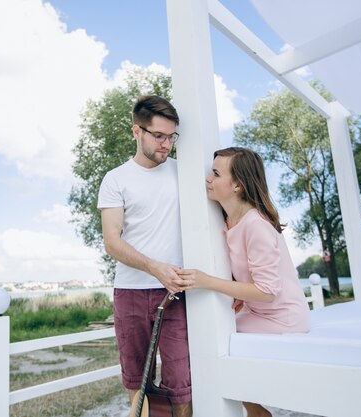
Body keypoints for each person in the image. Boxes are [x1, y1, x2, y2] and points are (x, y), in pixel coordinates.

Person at [177, 146, 310, 417]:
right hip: (259, 312)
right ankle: (255, 410)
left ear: (237, 184)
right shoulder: (231, 221)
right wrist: (240, 293)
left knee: (208, 337)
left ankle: (253, 410)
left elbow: (267, 291)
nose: (208, 179)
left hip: (283, 318)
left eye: (215, 174)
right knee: (204, 334)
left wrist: (207, 281)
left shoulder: (256, 225)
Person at [97, 95, 192, 417]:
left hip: (178, 294)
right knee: (136, 381)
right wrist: (154, 267)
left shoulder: (187, 173)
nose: (167, 144)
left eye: (171, 137)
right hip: (130, 292)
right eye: (159, 136)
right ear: (137, 131)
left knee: (182, 386)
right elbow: (112, 242)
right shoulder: (115, 179)